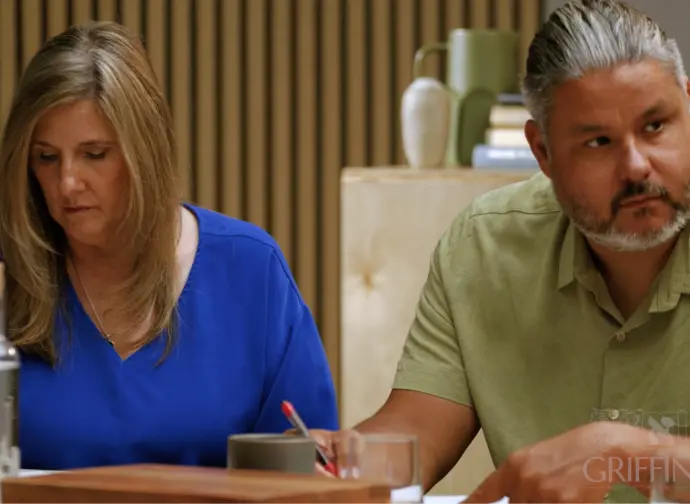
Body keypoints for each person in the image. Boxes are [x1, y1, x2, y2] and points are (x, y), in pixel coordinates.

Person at [307, 0, 690, 502]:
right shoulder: (484, 245)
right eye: (598, 142)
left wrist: (621, 451)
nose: (637, 166)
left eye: (656, 126)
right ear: (543, 153)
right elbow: (417, 430)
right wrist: (344, 460)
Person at [0, 21, 338, 470]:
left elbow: (312, 464)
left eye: (94, 154)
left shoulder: (249, 267)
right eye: (46, 157)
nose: (66, 183)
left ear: (145, 151)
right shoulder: (10, 274)